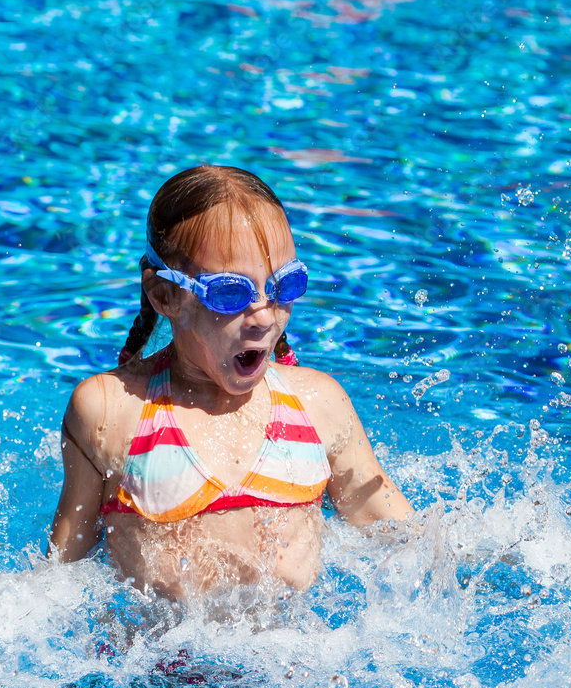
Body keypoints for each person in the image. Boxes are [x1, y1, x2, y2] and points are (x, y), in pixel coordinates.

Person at [47, 164, 413, 601]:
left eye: (284, 286)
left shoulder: (319, 404)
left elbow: (402, 536)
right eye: (230, 293)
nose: (263, 316)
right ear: (165, 296)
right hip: (155, 667)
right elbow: (57, 579)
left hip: (296, 665)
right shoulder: (112, 412)